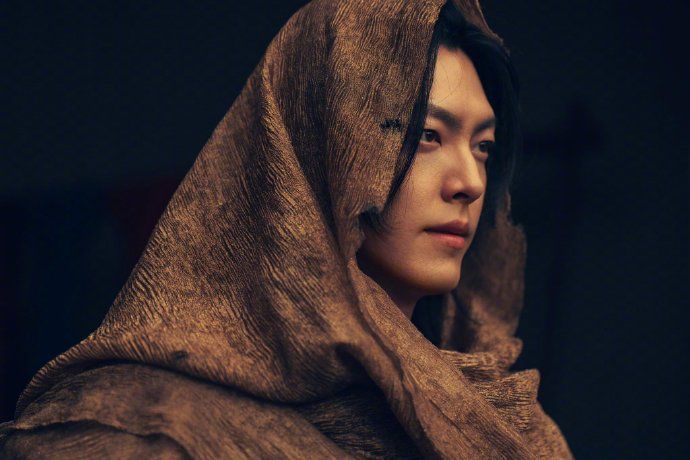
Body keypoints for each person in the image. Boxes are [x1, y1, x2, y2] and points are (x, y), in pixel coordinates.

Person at [0, 0, 573, 458]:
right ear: (314, 152)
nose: (469, 181)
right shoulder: (136, 430)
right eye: (426, 136)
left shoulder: (506, 428)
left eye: (484, 147)